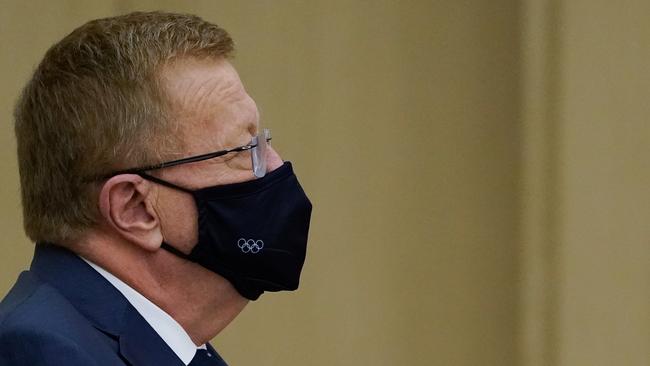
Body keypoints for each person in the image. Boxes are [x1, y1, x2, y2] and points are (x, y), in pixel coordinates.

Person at [0, 11, 312, 366]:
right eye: (243, 151)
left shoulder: (170, 348)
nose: (275, 166)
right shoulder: (43, 354)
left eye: (261, 143)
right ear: (135, 208)